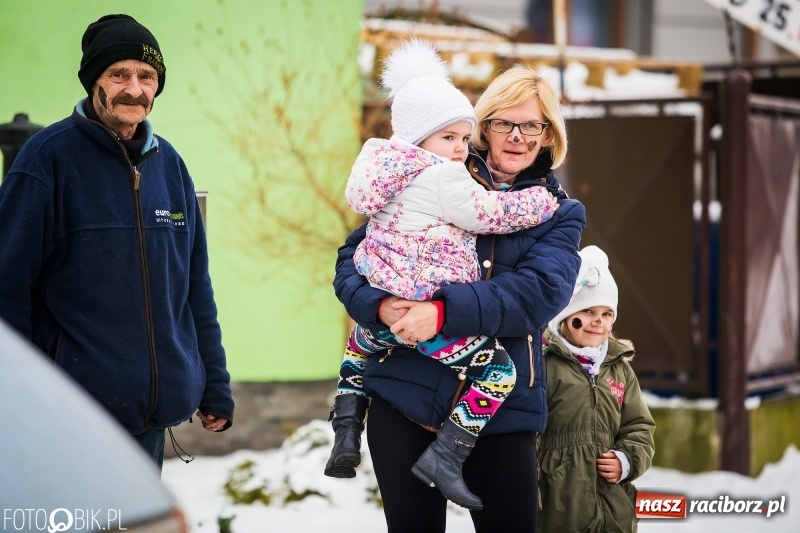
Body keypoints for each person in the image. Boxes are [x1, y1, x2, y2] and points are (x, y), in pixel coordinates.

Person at [333, 61, 586, 531]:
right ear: (483, 126)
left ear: (548, 134)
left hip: (501, 414)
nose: (517, 135)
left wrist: (442, 313)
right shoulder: (431, 171)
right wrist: (381, 306)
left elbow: (539, 293)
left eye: (531, 124)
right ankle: (347, 417)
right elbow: (354, 256)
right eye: (504, 122)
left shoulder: (559, 213)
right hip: (404, 394)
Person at [0, 14, 234, 470]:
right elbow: (8, 290)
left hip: (150, 421)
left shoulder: (171, 167)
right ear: (94, 82)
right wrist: (21, 396)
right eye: (118, 74)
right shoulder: (47, 160)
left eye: (147, 76)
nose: (134, 88)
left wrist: (214, 384)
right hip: (71, 416)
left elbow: (194, 289)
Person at [539, 245, 655, 533]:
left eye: (606, 314)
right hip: (557, 503)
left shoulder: (619, 368)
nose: (597, 321)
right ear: (565, 316)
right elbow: (529, 431)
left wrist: (626, 460)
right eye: (587, 311)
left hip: (611, 506)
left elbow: (639, 426)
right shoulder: (545, 365)